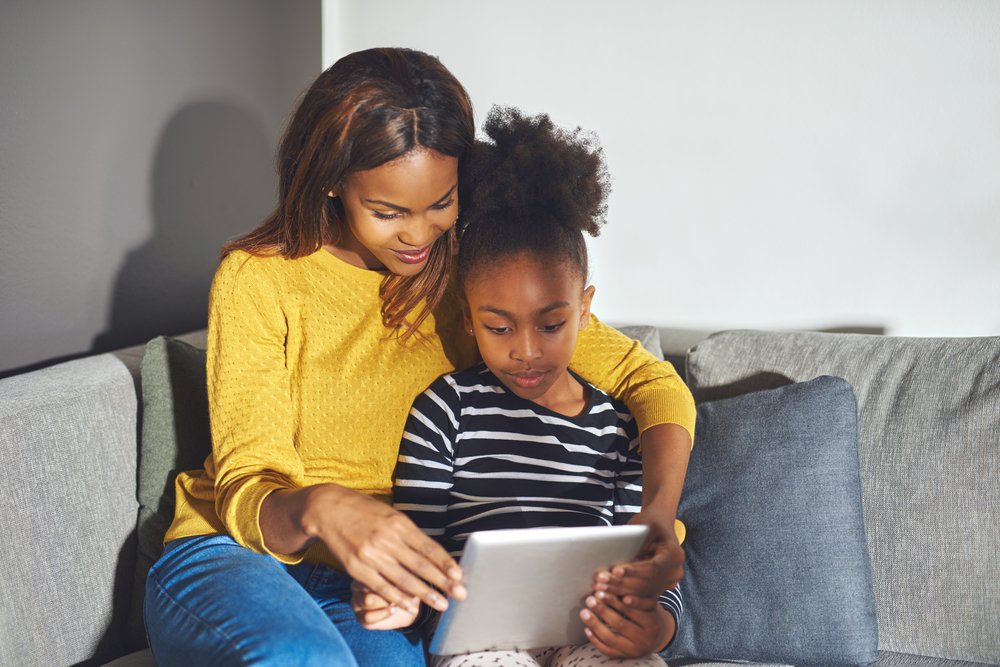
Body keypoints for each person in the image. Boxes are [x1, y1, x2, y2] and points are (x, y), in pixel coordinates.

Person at [143, 47, 694, 666]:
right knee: (297, 655)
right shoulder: (259, 279)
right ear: (331, 180)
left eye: (441, 204)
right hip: (238, 554)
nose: (418, 235)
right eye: (387, 212)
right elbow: (247, 489)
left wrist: (656, 515)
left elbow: (653, 384)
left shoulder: (477, 278)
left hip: (389, 584)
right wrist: (324, 506)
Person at [352, 108, 685, 667]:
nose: (526, 350)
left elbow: (649, 557)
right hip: (483, 644)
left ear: (584, 310)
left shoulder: (620, 427)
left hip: (588, 638)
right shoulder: (446, 410)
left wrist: (658, 626)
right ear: (467, 317)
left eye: (551, 325)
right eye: (499, 327)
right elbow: (417, 547)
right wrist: (399, 596)